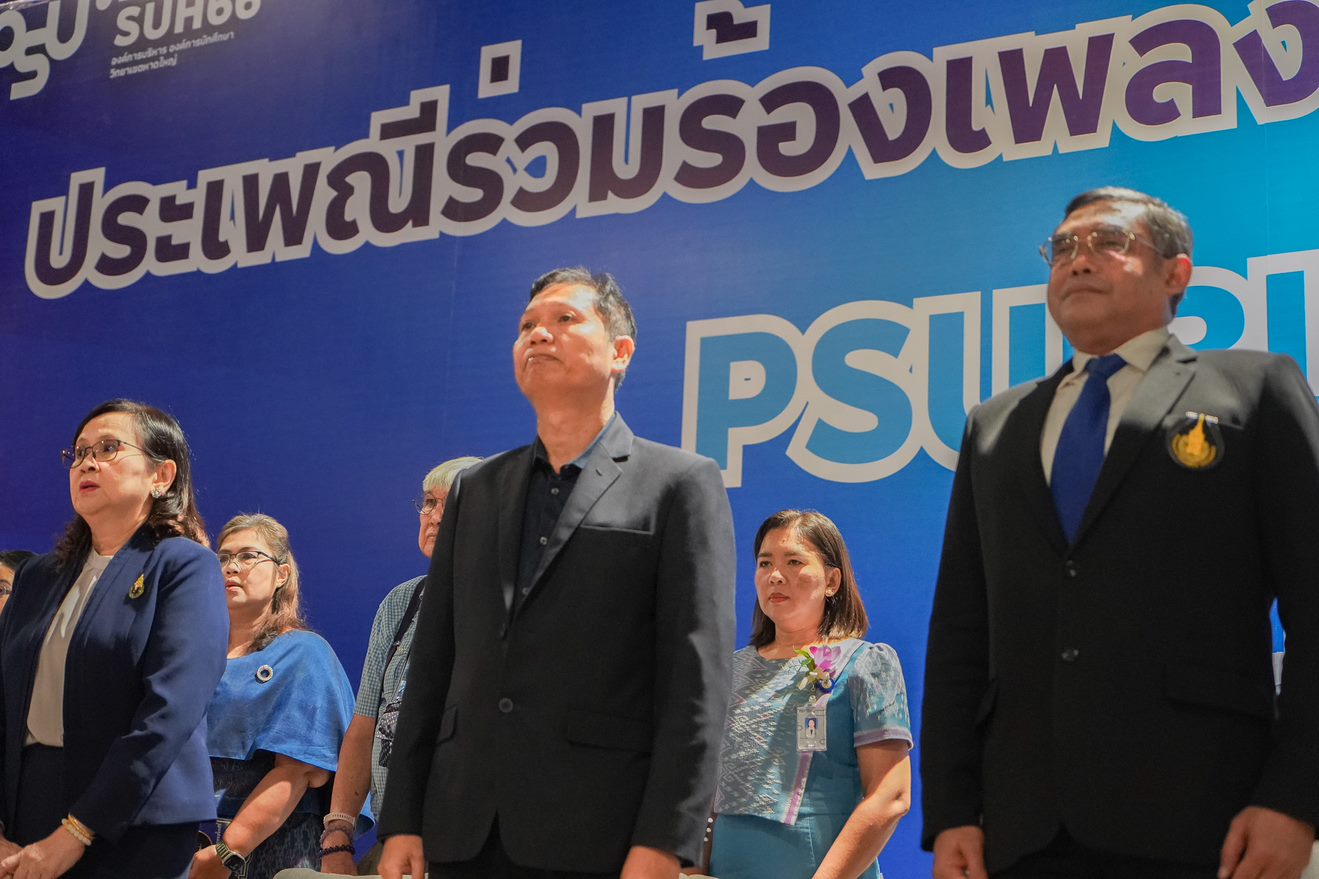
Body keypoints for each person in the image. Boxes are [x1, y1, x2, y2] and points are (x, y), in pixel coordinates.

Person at [922, 187, 1319, 879]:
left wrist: (1296, 797)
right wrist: (952, 808)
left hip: (1207, 819)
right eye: (1062, 248)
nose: (1078, 261)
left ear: (1175, 273)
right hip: (1023, 830)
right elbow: (961, 628)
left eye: (1108, 241)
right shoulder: (994, 424)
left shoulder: (1253, 389)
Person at [376, 267, 737, 879]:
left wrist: (665, 840)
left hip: (600, 835)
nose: (538, 335)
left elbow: (696, 682)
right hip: (461, 832)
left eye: (564, 319)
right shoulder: (474, 489)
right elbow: (433, 663)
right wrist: (403, 818)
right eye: (526, 326)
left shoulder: (680, 484)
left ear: (620, 352)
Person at [0, 399, 228, 879]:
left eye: (108, 448)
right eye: (79, 452)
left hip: (134, 826)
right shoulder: (38, 576)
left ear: (161, 476)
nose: (87, 463)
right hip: (25, 809)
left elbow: (169, 712)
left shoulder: (184, 566)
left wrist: (77, 831)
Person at [710, 509, 912, 879]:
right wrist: (691, 867)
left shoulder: (867, 664)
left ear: (832, 581)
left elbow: (891, 795)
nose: (775, 575)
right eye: (765, 563)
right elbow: (705, 792)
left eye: (794, 562)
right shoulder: (726, 670)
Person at [320, 456, 481, 876]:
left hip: (471, 845)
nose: (435, 516)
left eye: (453, 503)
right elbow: (364, 727)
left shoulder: (506, 606)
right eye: (429, 502)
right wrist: (338, 834)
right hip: (397, 841)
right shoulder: (401, 603)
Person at [192, 514, 359, 879]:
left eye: (248, 556)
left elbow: (298, 771)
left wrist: (225, 854)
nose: (232, 567)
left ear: (282, 574)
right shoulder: (191, 654)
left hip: (270, 852)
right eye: (223, 557)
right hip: (183, 846)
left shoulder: (305, 654)